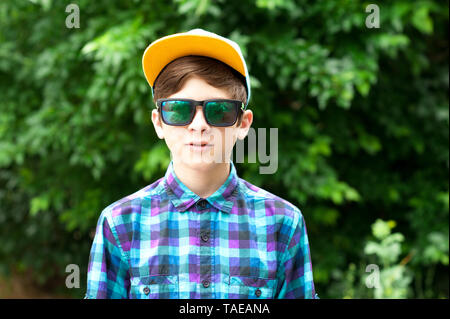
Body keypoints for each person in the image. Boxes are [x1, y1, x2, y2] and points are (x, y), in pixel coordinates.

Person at [85, 28, 318, 299]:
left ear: (243, 124)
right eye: (179, 110)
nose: (198, 125)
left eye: (219, 111)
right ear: (158, 122)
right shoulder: (120, 223)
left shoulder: (283, 223)